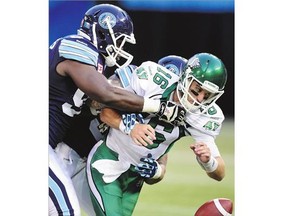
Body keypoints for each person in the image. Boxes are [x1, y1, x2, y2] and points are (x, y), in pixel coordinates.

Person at [49, 3, 186, 216]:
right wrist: (141, 114)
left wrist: (156, 171)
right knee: (65, 211)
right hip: (64, 152)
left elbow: (161, 160)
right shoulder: (79, 48)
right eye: (121, 40)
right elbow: (105, 96)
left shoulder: (172, 116)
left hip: (89, 164)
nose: (122, 47)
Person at [86, 52, 228, 216]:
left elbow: (220, 173)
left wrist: (208, 161)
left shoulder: (203, 116)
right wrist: (129, 127)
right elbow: (104, 110)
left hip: (134, 180)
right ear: (185, 78)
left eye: (207, 95)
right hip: (108, 160)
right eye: (197, 90)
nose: (199, 99)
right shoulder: (152, 82)